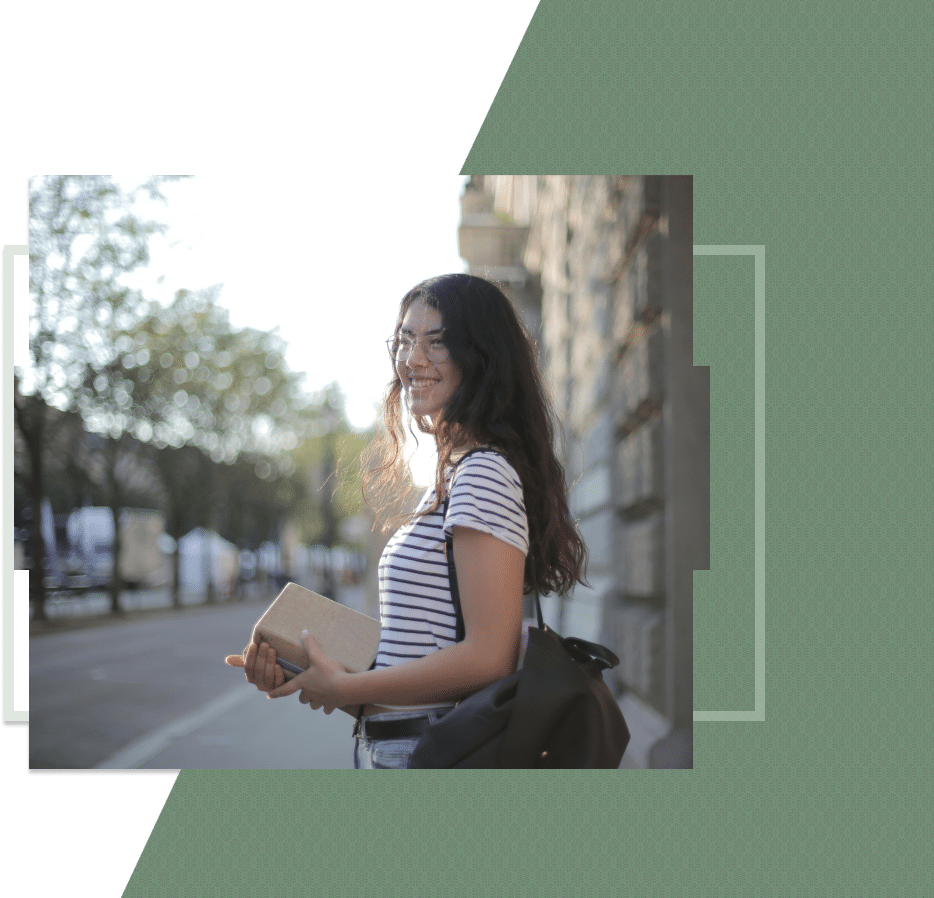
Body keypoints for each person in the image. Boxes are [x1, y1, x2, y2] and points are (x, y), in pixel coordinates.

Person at [226, 274, 587, 768]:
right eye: (405, 340)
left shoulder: (481, 473)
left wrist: (348, 686)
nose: (413, 359)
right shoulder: (451, 479)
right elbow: (421, 652)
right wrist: (307, 670)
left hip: (433, 752)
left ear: (481, 357)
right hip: (400, 745)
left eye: (437, 343)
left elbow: (488, 656)